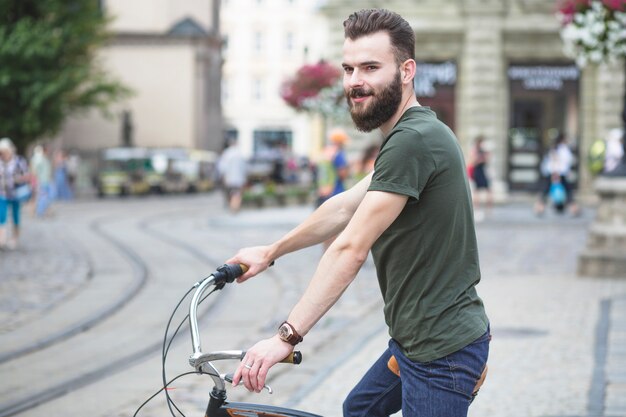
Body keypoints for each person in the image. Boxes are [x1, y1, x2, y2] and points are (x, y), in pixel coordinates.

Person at [226, 9, 490, 417]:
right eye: (348, 69)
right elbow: (345, 206)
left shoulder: (414, 139)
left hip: (442, 354)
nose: (354, 81)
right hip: (416, 341)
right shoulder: (412, 134)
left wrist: (287, 336)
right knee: (360, 410)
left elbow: (349, 247)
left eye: (370, 67)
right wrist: (271, 250)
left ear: (407, 71)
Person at [534, 133, 579, 216]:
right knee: (569, 191)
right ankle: (574, 209)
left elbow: (547, 162)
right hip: (560, 173)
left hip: (551, 172)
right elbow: (566, 162)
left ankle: (539, 208)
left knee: (545, 191)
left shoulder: (553, 148)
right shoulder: (563, 149)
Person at [0, 138, 30, 250]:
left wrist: (18, 178)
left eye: (4, 151)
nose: (2, 154)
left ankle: (15, 237)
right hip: (2, 193)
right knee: (1, 216)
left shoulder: (18, 161)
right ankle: (1, 239)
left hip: (15, 193)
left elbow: (27, 175)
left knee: (15, 216)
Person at [217, 139, 248, 213]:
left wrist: (222, 176)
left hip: (229, 178)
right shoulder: (240, 154)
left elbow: (222, 167)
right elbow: (244, 167)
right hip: (239, 178)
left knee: (231, 193)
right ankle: (235, 206)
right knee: (236, 193)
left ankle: (233, 206)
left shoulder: (227, 153)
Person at [468, 135, 493, 219]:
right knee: (477, 191)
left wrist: (486, 155)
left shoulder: (484, 151)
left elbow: (487, 160)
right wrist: (479, 159)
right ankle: (477, 209)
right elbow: (472, 162)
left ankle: (488, 210)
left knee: (488, 190)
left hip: (483, 171)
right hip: (477, 171)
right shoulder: (475, 150)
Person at [30, 144, 54, 218]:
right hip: (42, 181)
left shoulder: (45, 159)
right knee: (42, 197)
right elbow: (34, 170)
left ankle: (44, 211)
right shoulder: (39, 159)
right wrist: (37, 180)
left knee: (49, 196)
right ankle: (40, 212)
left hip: (46, 181)